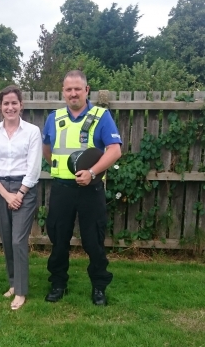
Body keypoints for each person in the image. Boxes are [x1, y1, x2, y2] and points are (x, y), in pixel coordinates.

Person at [42, 70, 122, 306]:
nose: (73, 93)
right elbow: (47, 150)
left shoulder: (101, 116)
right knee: (58, 238)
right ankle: (58, 284)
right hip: (62, 189)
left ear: (87, 90)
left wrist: (92, 172)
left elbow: (115, 150)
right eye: (68, 89)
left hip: (91, 190)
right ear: (63, 92)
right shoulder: (53, 118)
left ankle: (99, 287)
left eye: (78, 88)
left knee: (93, 241)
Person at [0, 85, 42, 310]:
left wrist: (19, 194)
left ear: (21, 106)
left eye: (14, 103)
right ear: (0, 107)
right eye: (6, 103)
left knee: (18, 240)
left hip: (24, 190)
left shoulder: (32, 132)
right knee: (7, 240)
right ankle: (13, 284)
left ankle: (22, 291)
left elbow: (34, 168)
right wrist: (7, 195)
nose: (10, 107)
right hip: (0, 190)